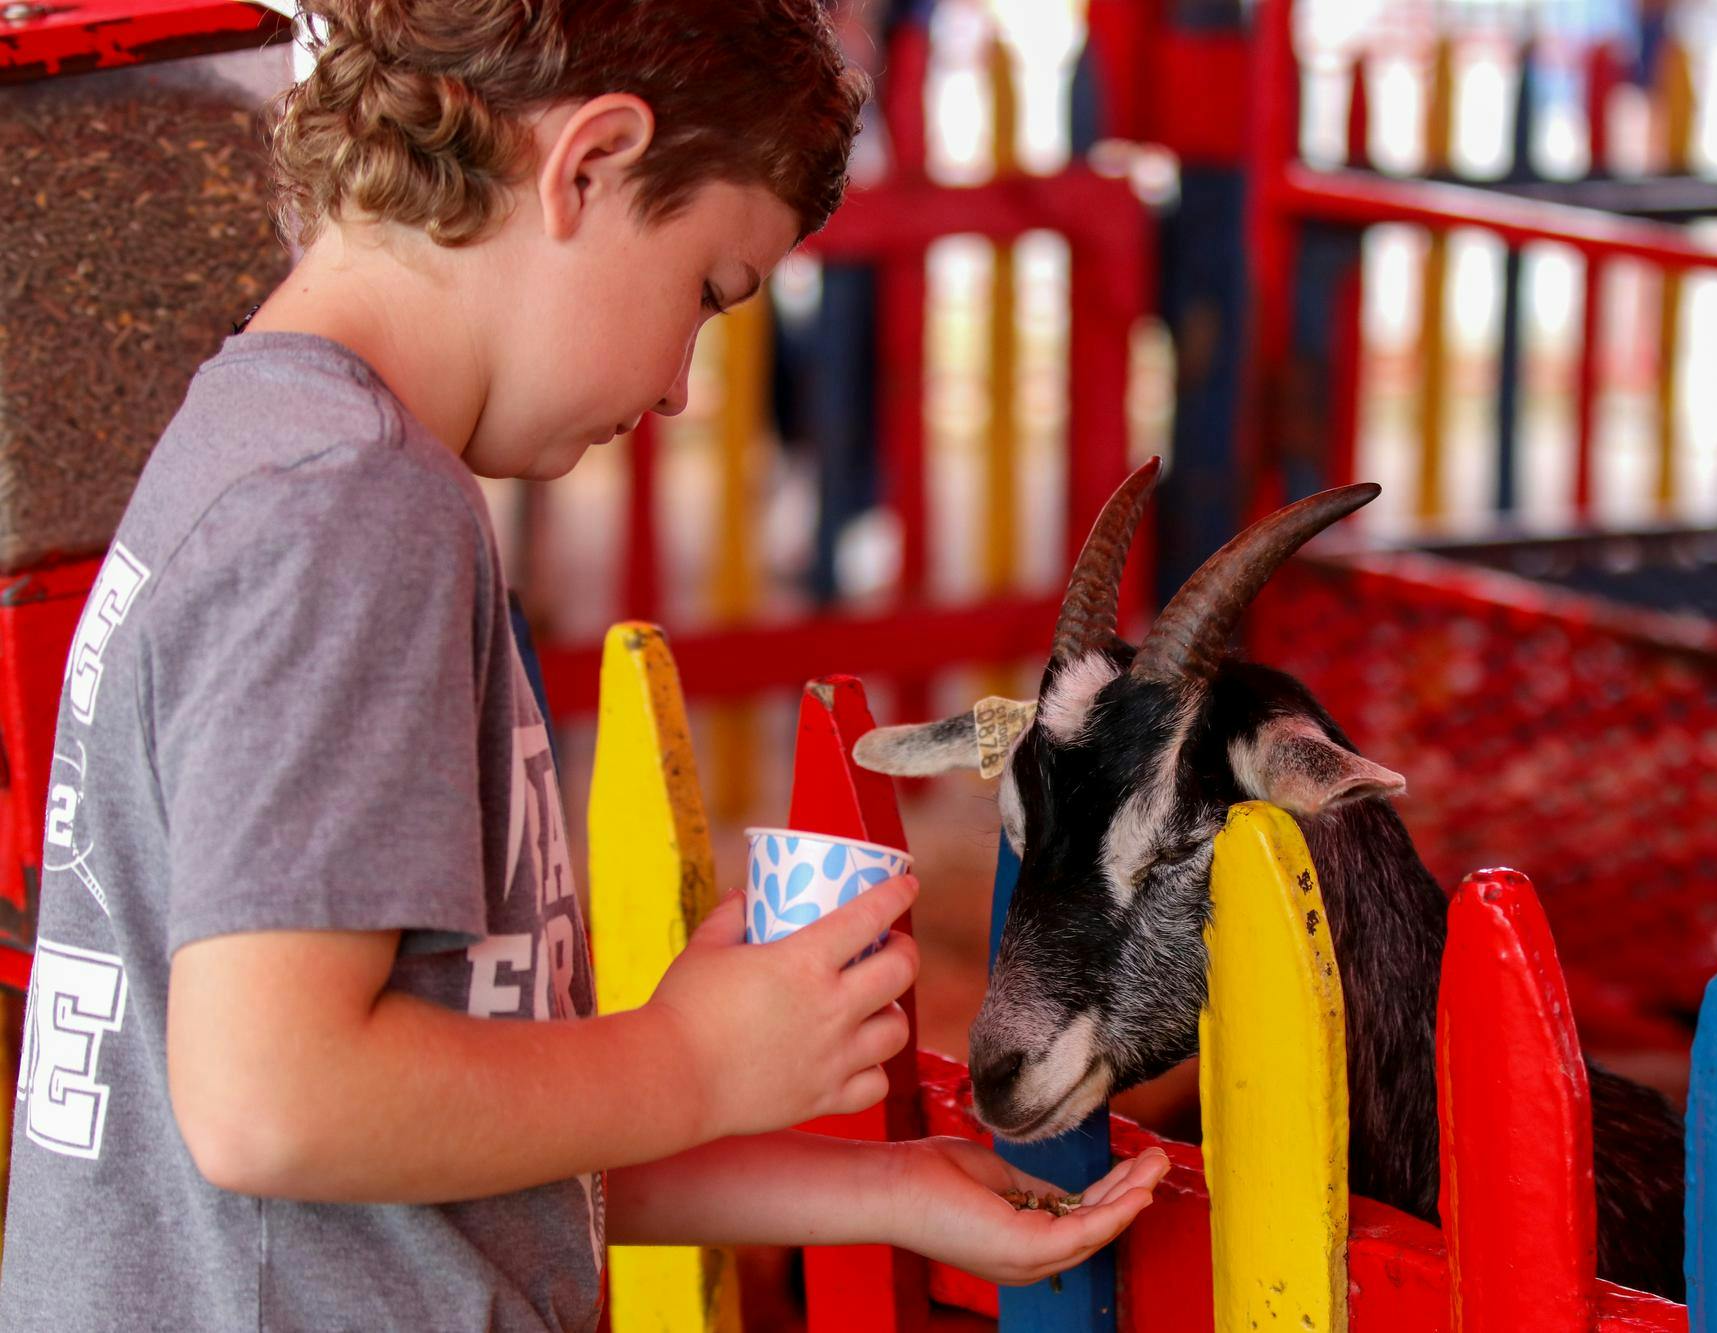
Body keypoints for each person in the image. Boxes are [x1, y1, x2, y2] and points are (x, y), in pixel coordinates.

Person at [0, 0, 1167, 1326]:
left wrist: (881, 1190)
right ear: (591, 163)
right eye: (708, 290)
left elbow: (430, 1145)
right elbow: (277, 1103)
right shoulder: (351, 507)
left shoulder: (265, 443)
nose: (678, 384)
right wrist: (684, 1058)